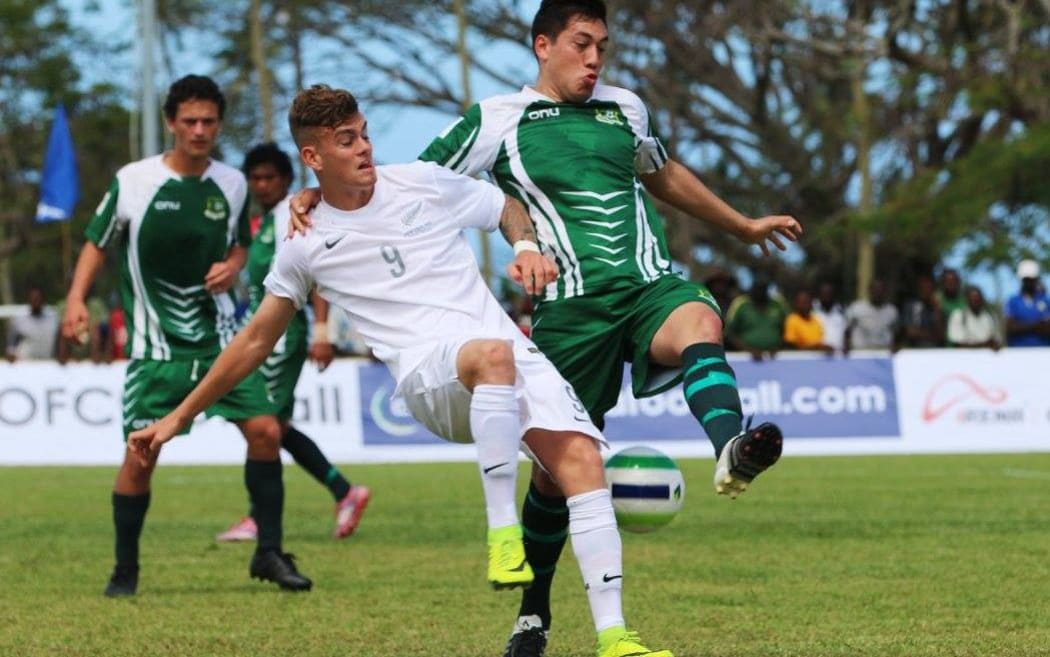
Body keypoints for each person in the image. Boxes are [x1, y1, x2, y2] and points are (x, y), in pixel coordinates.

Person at [293, 4, 801, 653]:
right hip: (570, 308)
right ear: (543, 45)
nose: (595, 60)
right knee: (557, 475)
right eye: (581, 45)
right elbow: (406, 185)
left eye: (603, 48)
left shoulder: (627, 108)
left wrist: (743, 224)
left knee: (700, 319)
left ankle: (731, 447)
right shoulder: (497, 119)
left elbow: (662, 173)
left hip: (647, 283)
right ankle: (533, 613)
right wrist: (317, 192)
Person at [130, 84, 674, 657]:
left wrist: (526, 245)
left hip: (503, 362)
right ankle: (502, 535)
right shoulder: (304, 241)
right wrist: (176, 418)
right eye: (346, 141)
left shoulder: (422, 182)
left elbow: (503, 207)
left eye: (364, 133)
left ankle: (615, 637)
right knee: (493, 352)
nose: (364, 147)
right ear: (313, 159)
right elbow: (253, 341)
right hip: (430, 378)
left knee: (582, 461)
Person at [61, 74, 310, 597]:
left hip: (220, 340)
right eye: (190, 121)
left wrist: (233, 264)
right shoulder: (133, 180)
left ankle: (268, 552)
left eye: (209, 122)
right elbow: (96, 243)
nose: (200, 130)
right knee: (141, 455)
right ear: (172, 123)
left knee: (266, 431)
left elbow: (242, 243)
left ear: (219, 125)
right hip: (157, 350)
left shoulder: (232, 183)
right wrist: (77, 299)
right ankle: (125, 569)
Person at [215, 142, 370, 543]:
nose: (261, 184)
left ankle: (263, 516)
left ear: (285, 180)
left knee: (261, 423)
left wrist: (321, 332)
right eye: (255, 178)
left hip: (283, 337)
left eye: (269, 177)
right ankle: (342, 492)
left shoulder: (292, 213)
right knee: (270, 426)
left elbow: (313, 272)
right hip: (263, 332)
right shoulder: (264, 220)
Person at [725, 276, 788, 359]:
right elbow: (729, 333)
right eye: (758, 288)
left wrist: (779, 346)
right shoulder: (740, 304)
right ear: (752, 289)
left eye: (763, 288)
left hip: (774, 358)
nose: (760, 291)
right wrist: (748, 350)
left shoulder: (777, 304)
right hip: (746, 359)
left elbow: (789, 327)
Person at [1003, 259, 1050, 347]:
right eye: (1026, 280)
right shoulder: (1013, 301)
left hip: (1044, 353)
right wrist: (1037, 325)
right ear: (1021, 280)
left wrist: (1022, 325)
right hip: (1019, 353)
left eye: (1032, 279)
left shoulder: (1046, 300)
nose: (1029, 283)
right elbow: (1011, 328)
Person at [5, 285, 59, 361]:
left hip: (47, 365)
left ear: (43, 299)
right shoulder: (19, 320)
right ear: (28, 300)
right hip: (25, 366)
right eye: (33, 298)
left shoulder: (53, 318)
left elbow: (59, 342)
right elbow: (11, 347)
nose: (35, 300)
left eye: (38, 298)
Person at [845, 279, 898, 352]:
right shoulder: (856, 308)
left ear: (885, 292)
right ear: (869, 290)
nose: (877, 293)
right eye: (875, 290)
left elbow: (895, 334)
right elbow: (847, 331)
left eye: (880, 290)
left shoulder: (892, 311)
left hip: (883, 354)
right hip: (860, 353)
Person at [946, 286, 1000, 350]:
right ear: (967, 299)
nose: (975, 301)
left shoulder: (991, 316)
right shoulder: (958, 315)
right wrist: (985, 344)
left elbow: (996, 341)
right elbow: (958, 343)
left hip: (987, 357)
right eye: (973, 298)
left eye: (978, 298)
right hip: (964, 357)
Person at [899, 275, 944, 348]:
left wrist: (936, 310)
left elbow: (940, 335)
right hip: (913, 349)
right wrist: (931, 334)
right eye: (923, 288)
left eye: (929, 288)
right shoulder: (910, 306)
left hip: (933, 349)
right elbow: (909, 332)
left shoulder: (937, 308)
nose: (926, 291)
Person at [782, 289, 833, 353]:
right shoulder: (792, 320)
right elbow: (791, 346)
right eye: (803, 302)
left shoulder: (816, 320)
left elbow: (821, 341)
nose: (806, 305)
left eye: (808, 302)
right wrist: (814, 348)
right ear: (796, 304)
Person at [812, 281, 847, 353]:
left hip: (839, 357)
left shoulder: (841, 313)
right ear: (819, 295)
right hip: (818, 356)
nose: (827, 296)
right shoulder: (812, 313)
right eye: (824, 293)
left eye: (829, 293)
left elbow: (846, 333)